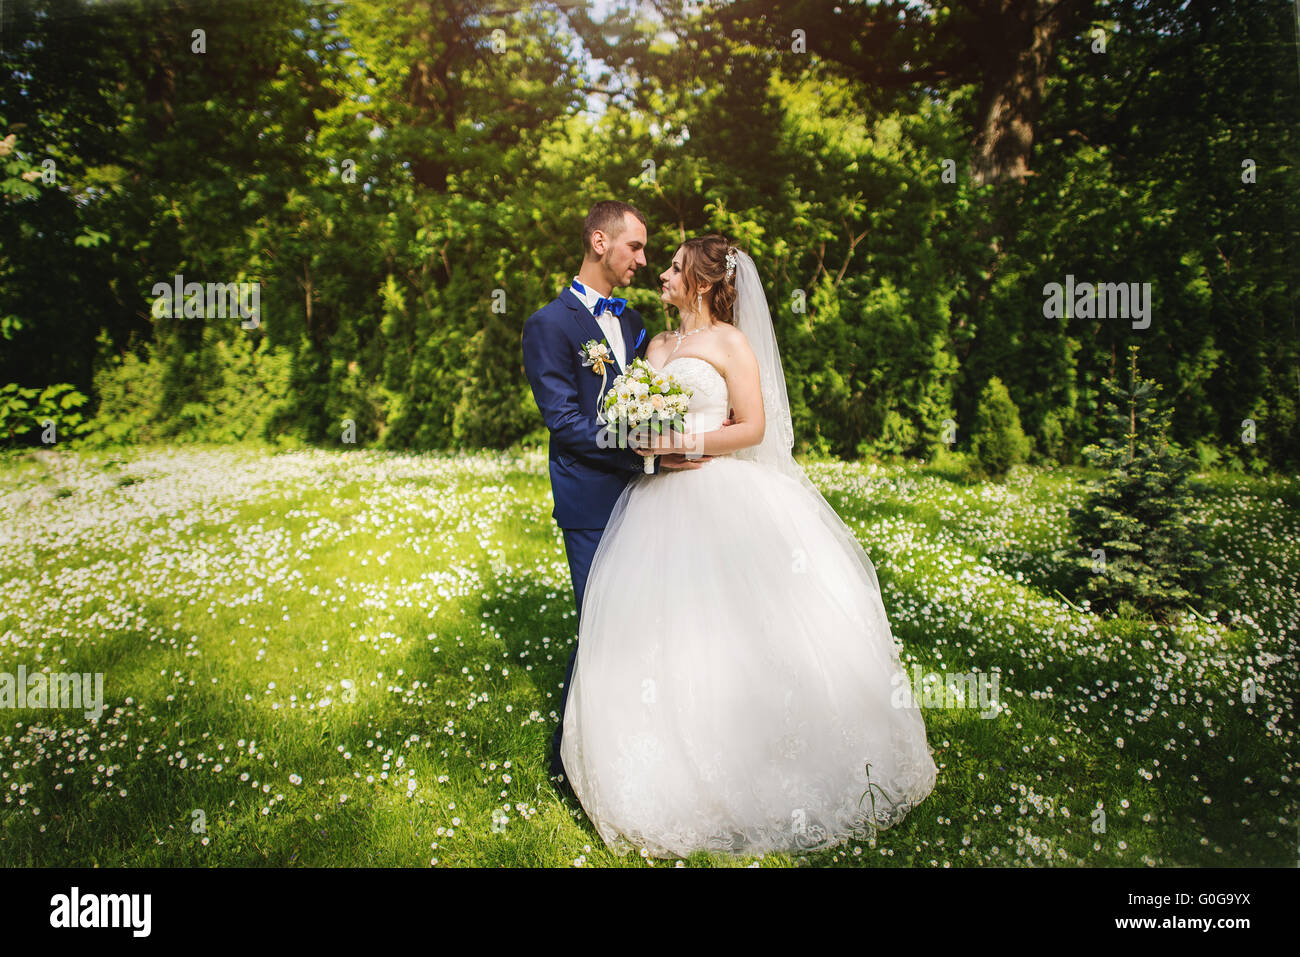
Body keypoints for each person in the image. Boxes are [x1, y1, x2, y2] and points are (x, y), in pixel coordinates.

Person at [558, 235, 938, 857]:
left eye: (676, 268)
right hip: (656, 501)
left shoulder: (730, 343)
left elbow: (755, 426)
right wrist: (646, 441)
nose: (663, 274)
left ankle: (765, 756)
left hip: (721, 490)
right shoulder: (655, 345)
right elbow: (636, 413)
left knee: (741, 627)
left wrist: (691, 445)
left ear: (702, 284)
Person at [521, 201, 714, 792]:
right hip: (590, 501)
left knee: (649, 625)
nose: (644, 260)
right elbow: (566, 421)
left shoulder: (632, 326)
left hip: (649, 501)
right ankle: (573, 763)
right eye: (635, 247)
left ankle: (652, 754)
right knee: (603, 626)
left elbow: (651, 395)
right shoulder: (548, 326)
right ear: (600, 241)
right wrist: (642, 450)